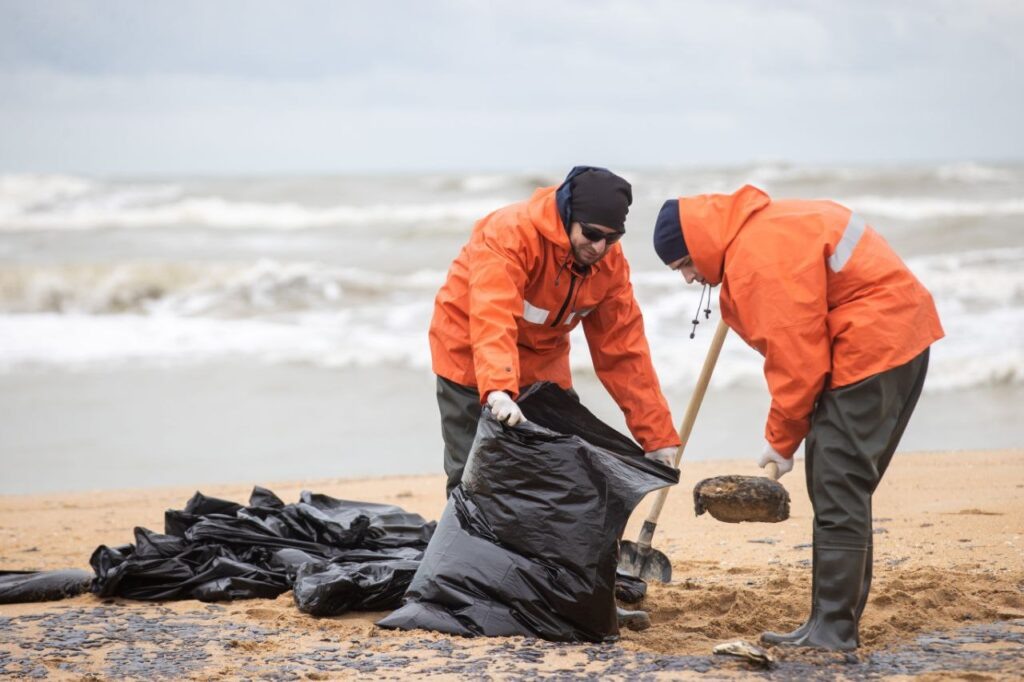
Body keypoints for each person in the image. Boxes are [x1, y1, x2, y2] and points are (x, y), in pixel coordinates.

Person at [651, 185, 944, 651]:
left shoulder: (758, 259)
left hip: (874, 345)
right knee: (841, 483)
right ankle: (829, 621)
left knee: (837, 482)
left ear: (700, 246)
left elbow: (797, 362)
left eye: (684, 264)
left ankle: (833, 629)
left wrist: (780, 441)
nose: (687, 278)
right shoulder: (758, 235)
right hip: (893, 336)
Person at [429, 166, 681, 498]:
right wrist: (498, 388)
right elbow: (493, 314)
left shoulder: (609, 264)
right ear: (567, 215)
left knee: (561, 471)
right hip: (469, 357)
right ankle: (466, 549)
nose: (599, 247)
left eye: (612, 238)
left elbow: (623, 351)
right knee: (473, 475)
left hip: (542, 366)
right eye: (591, 234)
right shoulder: (510, 233)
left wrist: (657, 437)